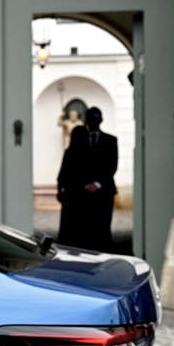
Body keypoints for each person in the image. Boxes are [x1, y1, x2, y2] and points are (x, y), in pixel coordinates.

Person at [56, 107, 118, 251]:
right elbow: (71, 167)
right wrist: (83, 184)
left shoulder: (110, 140)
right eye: (90, 117)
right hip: (80, 192)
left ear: (101, 119)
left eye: (96, 117)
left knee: (101, 229)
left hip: (102, 192)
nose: (93, 120)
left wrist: (97, 184)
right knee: (81, 230)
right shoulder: (78, 139)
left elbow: (111, 165)